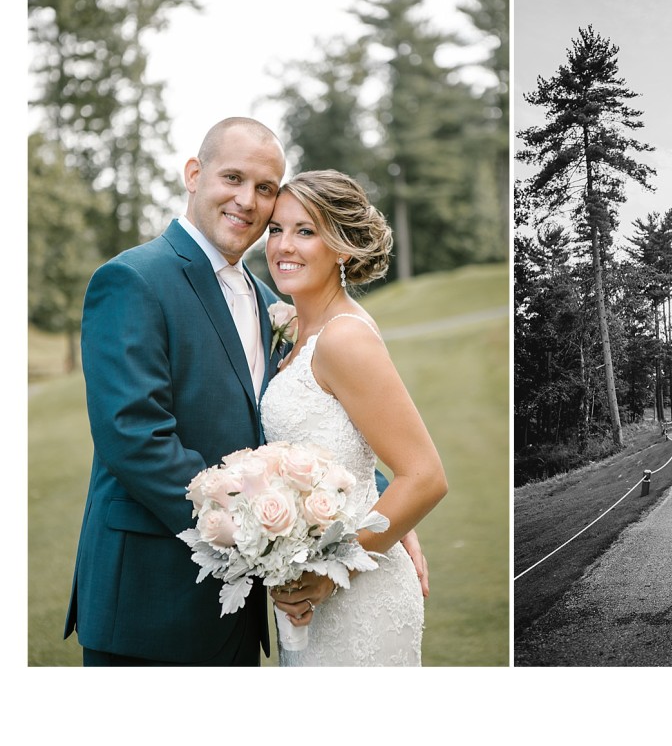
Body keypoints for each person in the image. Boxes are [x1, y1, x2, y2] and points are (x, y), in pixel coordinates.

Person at [64, 118, 427, 666]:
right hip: (151, 598)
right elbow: (133, 436)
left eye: (264, 188)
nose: (246, 201)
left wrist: (381, 517)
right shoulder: (133, 279)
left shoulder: (268, 301)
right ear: (193, 174)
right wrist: (253, 539)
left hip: (247, 609)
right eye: (232, 177)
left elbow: (306, 426)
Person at [261, 169, 447, 666]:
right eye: (276, 229)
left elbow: (426, 477)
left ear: (342, 247)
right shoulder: (295, 326)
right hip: (307, 586)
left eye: (305, 231)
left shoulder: (343, 338)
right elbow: (354, 448)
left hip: (356, 594)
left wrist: (330, 569)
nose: (283, 245)